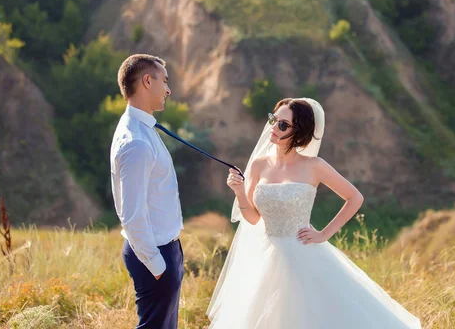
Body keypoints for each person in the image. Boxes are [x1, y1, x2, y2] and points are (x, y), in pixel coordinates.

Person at [206, 97, 421, 328]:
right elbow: (253, 217)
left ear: (299, 132)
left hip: (303, 252)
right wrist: (239, 191)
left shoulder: (314, 166)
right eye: (273, 120)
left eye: (283, 125)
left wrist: (324, 234)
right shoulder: (259, 165)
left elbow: (354, 197)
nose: (274, 128)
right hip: (266, 254)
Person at [110, 54, 184, 328]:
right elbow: (132, 215)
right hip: (154, 254)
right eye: (164, 81)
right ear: (147, 81)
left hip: (165, 248)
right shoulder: (136, 143)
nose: (168, 89)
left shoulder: (142, 129)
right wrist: (157, 266)